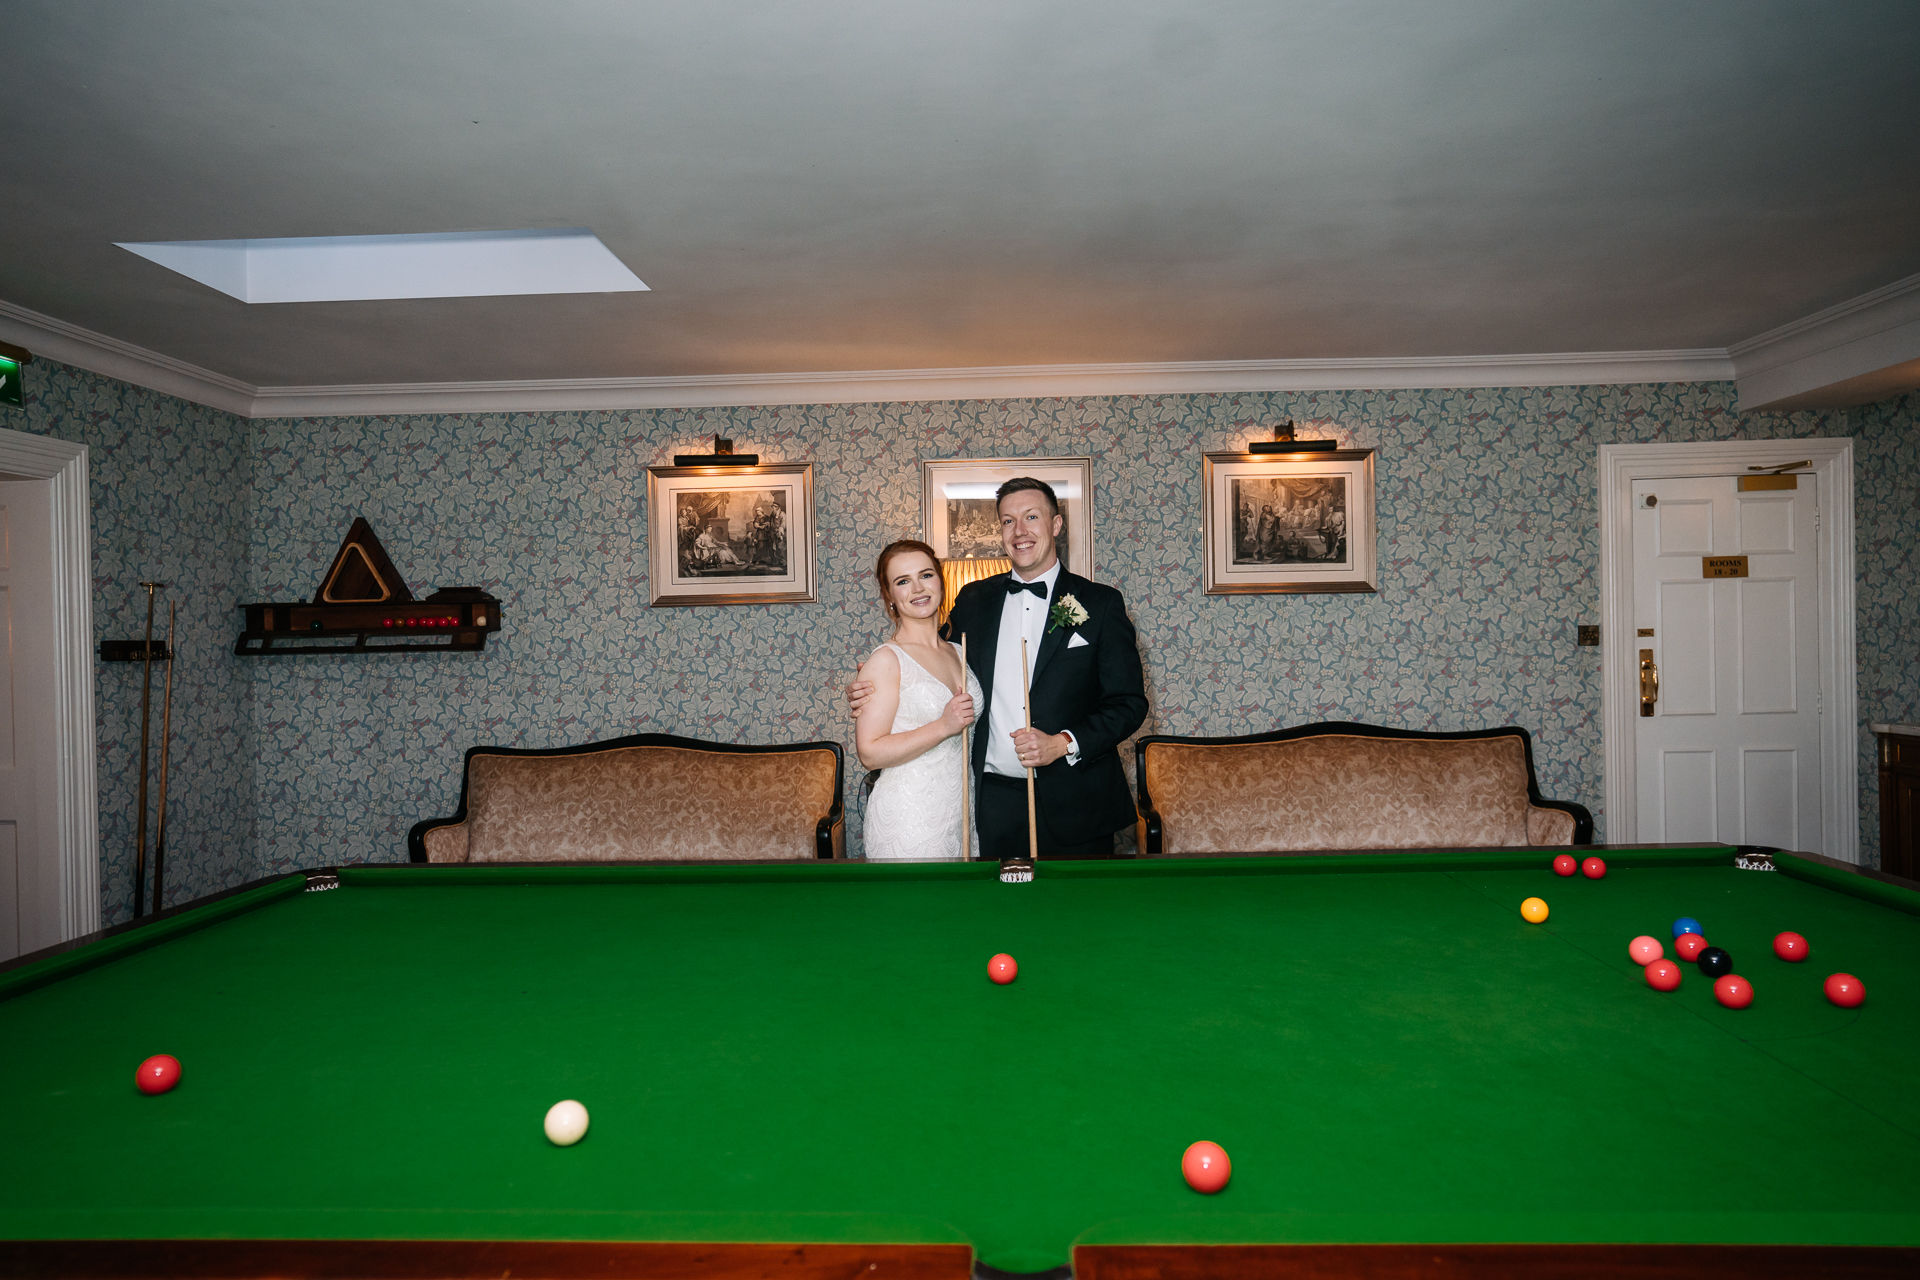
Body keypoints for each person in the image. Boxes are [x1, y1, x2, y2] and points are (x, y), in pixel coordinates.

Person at [849, 478, 1148, 861]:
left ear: (1055, 525)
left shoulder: (1101, 603)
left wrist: (1063, 742)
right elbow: (925, 660)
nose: (1019, 531)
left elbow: (1128, 703)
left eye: (1031, 517)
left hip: (1077, 802)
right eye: (1008, 521)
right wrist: (867, 687)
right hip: (990, 807)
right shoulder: (974, 600)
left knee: (1079, 920)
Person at [854, 540, 982, 860]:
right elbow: (869, 753)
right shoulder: (886, 660)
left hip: (960, 816)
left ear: (941, 581)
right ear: (890, 596)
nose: (917, 588)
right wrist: (943, 726)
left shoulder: (959, 651)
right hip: (908, 820)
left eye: (925, 575)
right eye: (902, 581)